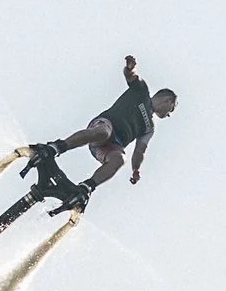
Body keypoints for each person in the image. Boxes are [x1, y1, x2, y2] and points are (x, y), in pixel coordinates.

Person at [51, 55, 178, 192]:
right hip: (105, 125)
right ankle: (58, 147)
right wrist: (130, 68)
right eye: (171, 109)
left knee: (119, 159)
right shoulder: (142, 92)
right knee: (104, 133)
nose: (169, 114)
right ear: (167, 100)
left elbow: (139, 151)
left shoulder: (150, 128)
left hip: (112, 146)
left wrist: (136, 169)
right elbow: (131, 76)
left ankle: (86, 187)